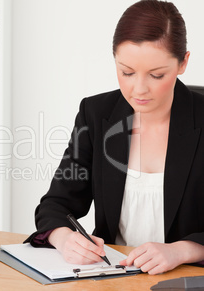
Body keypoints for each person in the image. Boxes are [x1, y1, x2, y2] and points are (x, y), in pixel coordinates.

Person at [25, 0, 204, 275]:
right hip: (112, 275)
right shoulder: (96, 114)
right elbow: (56, 203)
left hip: (188, 277)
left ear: (183, 63)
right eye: (127, 72)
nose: (139, 89)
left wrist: (182, 250)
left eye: (157, 75)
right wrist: (64, 239)